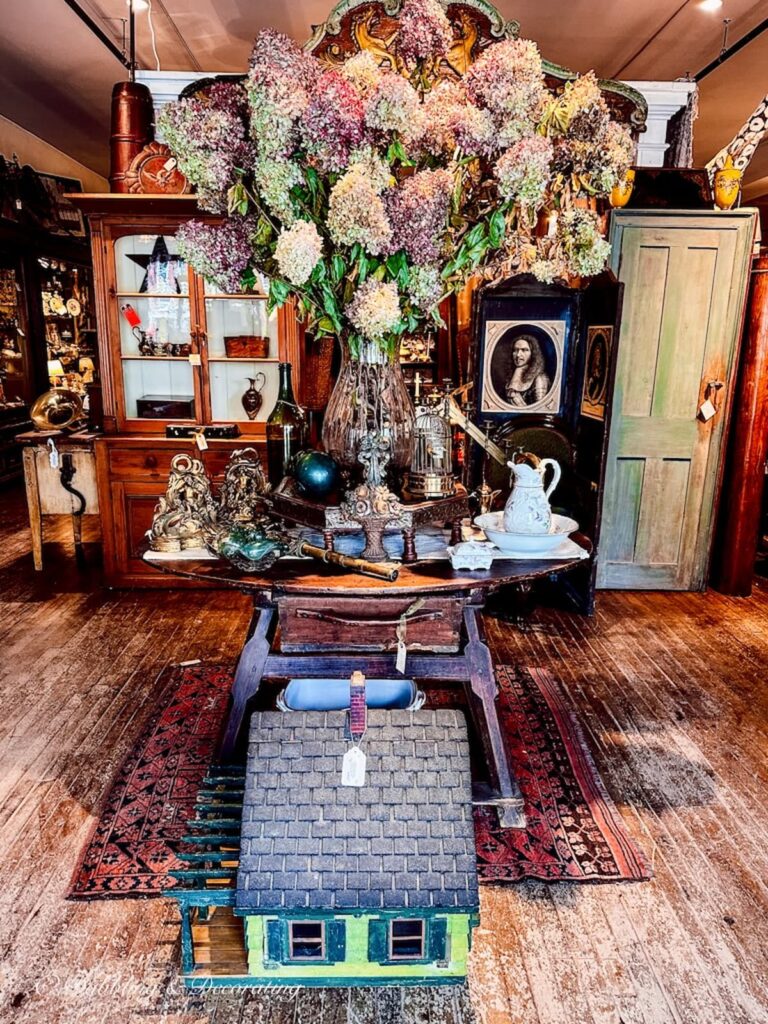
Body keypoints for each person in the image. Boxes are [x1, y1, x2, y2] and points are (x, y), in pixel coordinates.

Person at [504, 335, 551, 407]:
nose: (518, 355)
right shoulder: (511, 378)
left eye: (524, 350)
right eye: (515, 350)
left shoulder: (540, 378)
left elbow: (539, 410)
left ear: (533, 353)